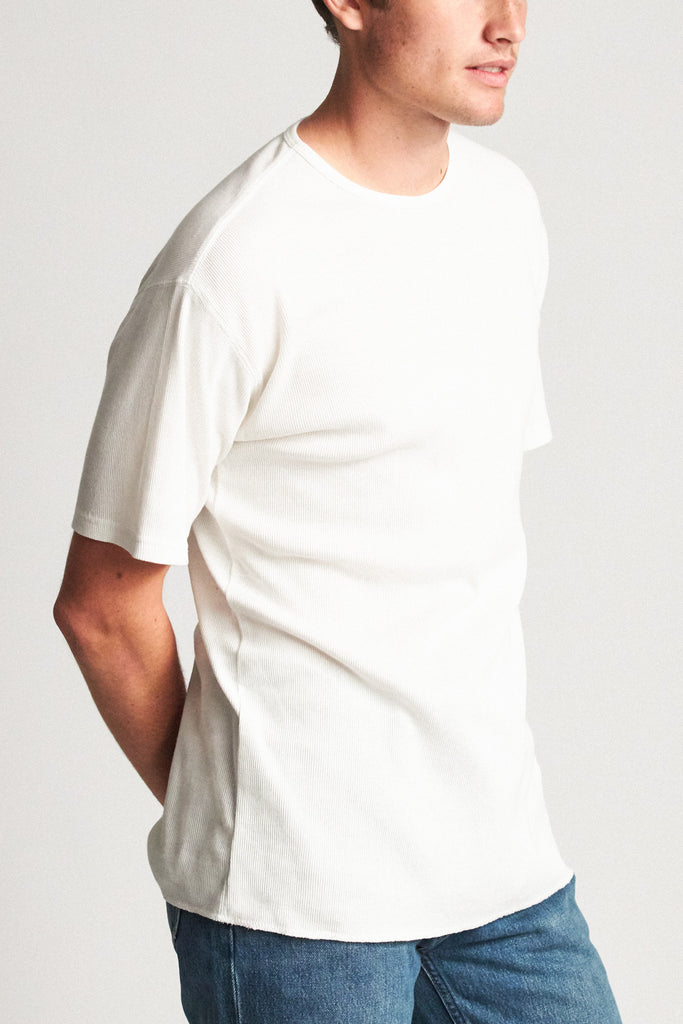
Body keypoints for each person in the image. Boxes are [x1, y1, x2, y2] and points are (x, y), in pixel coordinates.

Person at [54, 1, 623, 1021]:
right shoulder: (233, 260)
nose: (506, 23)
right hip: (297, 912)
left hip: (501, 873)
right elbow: (102, 607)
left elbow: (443, 536)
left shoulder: (504, 213)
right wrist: (247, 822)